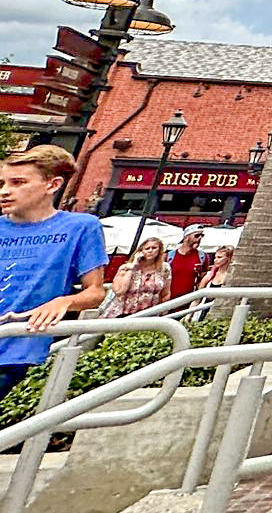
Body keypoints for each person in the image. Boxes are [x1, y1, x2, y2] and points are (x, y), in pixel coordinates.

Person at [0, 146, 110, 401]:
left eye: (18, 183)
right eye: (2, 183)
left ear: (53, 185)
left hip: (16, 349)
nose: (5, 191)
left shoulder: (80, 227)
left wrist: (64, 301)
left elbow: (95, 292)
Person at [111, 236, 173, 316]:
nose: (150, 251)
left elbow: (165, 294)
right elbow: (119, 291)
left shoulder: (165, 268)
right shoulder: (126, 268)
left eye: (154, 248)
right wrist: (132, 266)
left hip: (149, 313)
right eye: (147, 248)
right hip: (123, 313)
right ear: (141, 251)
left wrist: (163, 313)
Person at [168, 228, 206, 300]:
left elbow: (202, 279)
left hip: (189, 300)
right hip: (169, 300)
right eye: (197, 235)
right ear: (186, 238)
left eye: (202, 235)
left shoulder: (202, 257)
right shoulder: (169, 256)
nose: (200, 238)